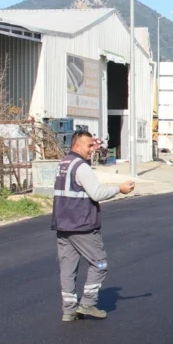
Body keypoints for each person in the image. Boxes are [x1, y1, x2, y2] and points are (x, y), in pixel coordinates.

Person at [52, 130, 135, 322]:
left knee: (68, 268)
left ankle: (68, 311)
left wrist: (91, 203)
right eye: (89, 145)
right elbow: (96, 192)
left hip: (63, 225)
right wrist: (119, 189)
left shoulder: (63, 164)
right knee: (100, 263)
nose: (92, 149)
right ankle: (88, 303)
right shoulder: (81, 167)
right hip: (82, 226)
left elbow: (73, 192)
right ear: (77, 145)